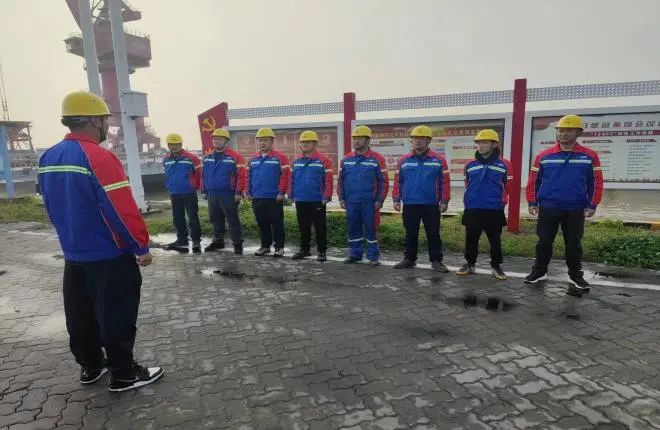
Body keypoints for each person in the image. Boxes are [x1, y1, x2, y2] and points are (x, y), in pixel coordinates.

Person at [38, 91, 163, 392]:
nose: (107, 124)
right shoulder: (99, 157)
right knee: (116, 314)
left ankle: (92, 366)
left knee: (80, 315)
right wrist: (140, 246)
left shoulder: (48, 157)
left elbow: (51, 205)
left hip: (74, 254)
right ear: (95, 120)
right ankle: (124, 374)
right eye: (105, 119)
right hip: (108, 255)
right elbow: (120, 208)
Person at [525, 114, 603, 293]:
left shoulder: (589, 156)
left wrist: (592, 204)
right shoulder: (543, 156)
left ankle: (575, 275)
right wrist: (532, 201)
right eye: (560, 130)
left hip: (575, 208)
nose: (563, 134)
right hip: (548, 207)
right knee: (544, 242)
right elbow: (534, 181)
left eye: (568, 130)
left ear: (578, 133)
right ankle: (539, 272)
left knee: (574, 244)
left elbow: (595, 182)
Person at [456, 129, 512, 280]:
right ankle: (470, 264)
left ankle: (496, 266)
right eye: (478, 143)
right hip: (473, 208)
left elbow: (508, 187)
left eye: (485, 142)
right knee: (471, 239)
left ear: (494, 144)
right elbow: (468, 184)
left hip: (494, 208)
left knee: (495, 240)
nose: (480, 146)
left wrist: (501, 203)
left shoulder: (505, 164)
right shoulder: (470, 165)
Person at [392, 125, 450, 272]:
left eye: (421, 138)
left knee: (433, 233)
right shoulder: (403, 161)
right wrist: (396, 199)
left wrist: (444, 200)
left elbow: (444, 182)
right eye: (415, 138)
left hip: (431, 204)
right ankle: (409, 259)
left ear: (428, 141)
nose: (417, 141)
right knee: (410, 233)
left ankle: (436, 260)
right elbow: (398, 181)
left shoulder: (439, 160)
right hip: (410, 203)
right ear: (411, 141)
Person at [337, 125, 389, 266]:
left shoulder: (377, 159)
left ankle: (373, 256)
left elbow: (383, 182)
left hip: (370, 202)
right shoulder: (346, 159)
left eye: (360, 138)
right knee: (353, 228)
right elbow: (341, 180)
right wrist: (341, 198)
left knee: (372, 229)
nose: (356, 141)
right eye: (354, 138)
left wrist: (379, 200)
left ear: (368, 140)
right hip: (351, 202)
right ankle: (355, 254)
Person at [289, 130, 334, 262]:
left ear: (315, 144)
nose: (305, 144)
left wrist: (327, 196)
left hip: (317, 200)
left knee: (320, 227)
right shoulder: (296, 161)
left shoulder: (324, 160)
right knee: (303, 227)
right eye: (303, 142)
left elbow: (329, 180)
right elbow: (291, 179)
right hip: (301, 199)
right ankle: (304, 250)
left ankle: (321, 251)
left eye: (308, 142)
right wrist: (291, 194)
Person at [247, 127, 291, 257]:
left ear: (272, 141)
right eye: (260, 140)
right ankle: (265, 246)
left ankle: (279, 247)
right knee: (262, 223)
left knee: (277, 223)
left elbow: (285, 176)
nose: (262, 143)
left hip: (274, 197)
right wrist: (248, 192)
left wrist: (281, 192)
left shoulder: (280, 158)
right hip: (257, 196)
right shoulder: (253, 159)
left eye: (265, 140)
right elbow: (249, 177)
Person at [201, 128, 246, 255]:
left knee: (232, 219)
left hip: (228, 193)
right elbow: (203, 175)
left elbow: (242, 176)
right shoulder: (208, 157)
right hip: (212, 193)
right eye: (215, 139)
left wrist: (238, 192)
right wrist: (204, 190)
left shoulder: (235, 157)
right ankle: (218, 241)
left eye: (220, 139)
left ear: (226, 141)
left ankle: (237, 243)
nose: (216, 141)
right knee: (215, 218)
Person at [162, 133, 202, 251]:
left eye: (176, 144)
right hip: (174, 193)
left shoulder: (192, 158)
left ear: (181, 144)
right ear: (168, 145)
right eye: (171, 144)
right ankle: (182, 239)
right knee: (177, 218)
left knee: (193, 217)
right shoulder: (166, 158)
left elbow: (199, 174)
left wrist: (198, 187)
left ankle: (196, 241)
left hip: (189, 192)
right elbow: (167, 174)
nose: (174, 147)